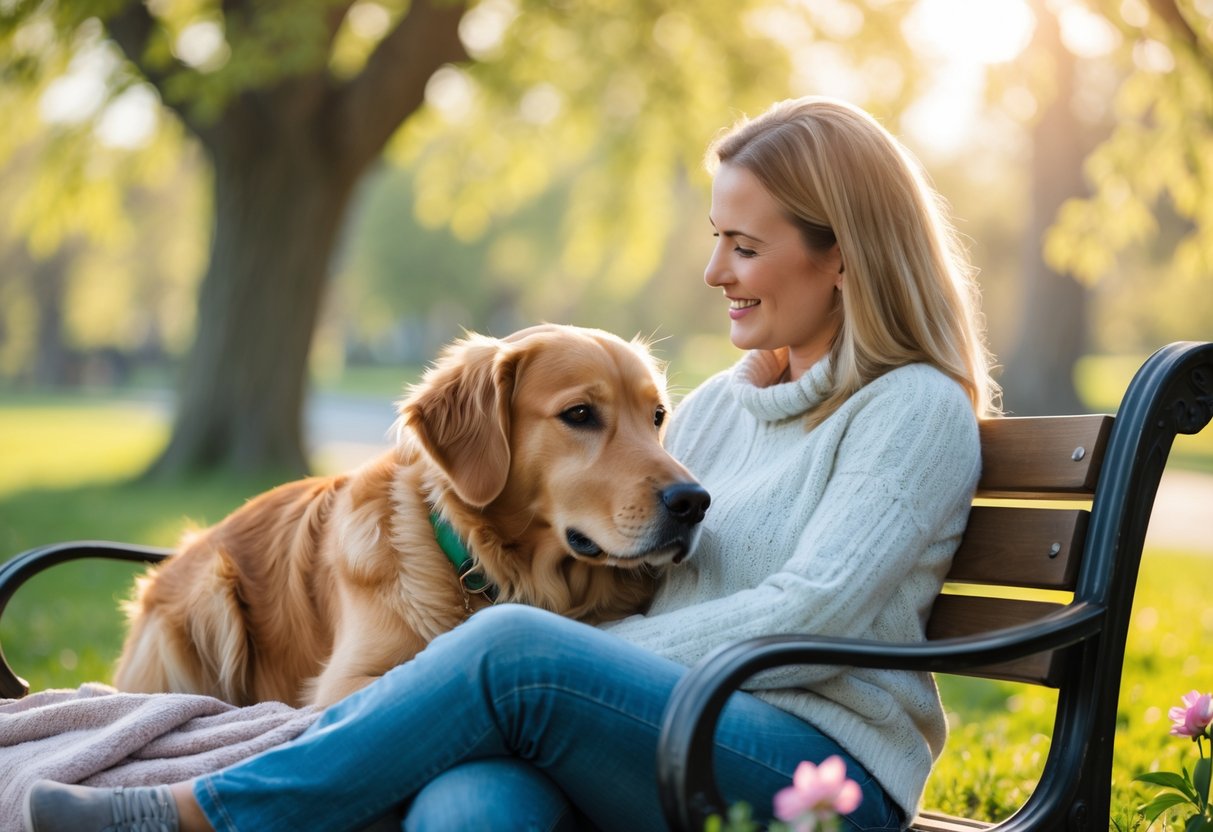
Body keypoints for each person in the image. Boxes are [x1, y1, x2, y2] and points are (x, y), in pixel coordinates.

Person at [24, 96, 999, 832]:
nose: (713, 274)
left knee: (507, 647)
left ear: (842, 257)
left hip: (810, 769)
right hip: (658, 733)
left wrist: (564, 665)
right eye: (714, 241)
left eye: (742, 246)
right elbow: (645, 573)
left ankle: (195, 815)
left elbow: (809, 611)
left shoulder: (908, 408)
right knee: (469, 803)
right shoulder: (715, 410)